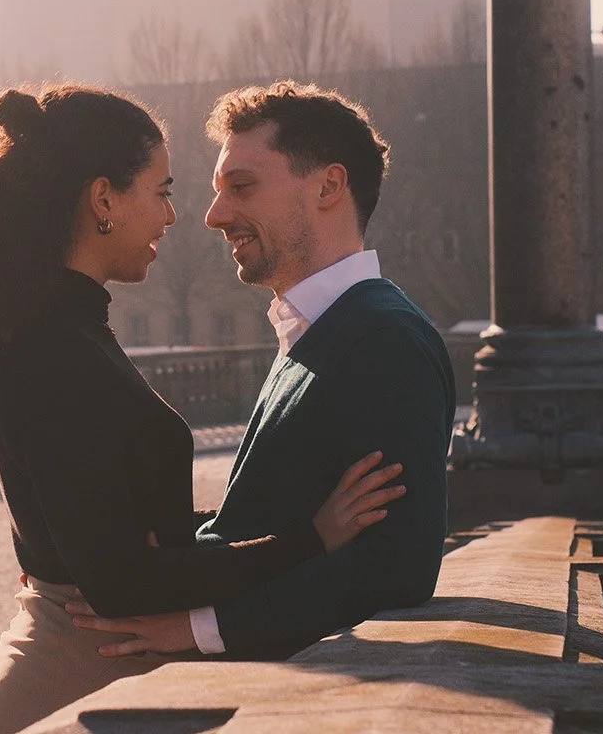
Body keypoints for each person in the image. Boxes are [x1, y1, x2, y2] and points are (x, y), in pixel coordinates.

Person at [0, 85, 406, 734]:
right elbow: (123, 579)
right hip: (68, 690)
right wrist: (308, 542)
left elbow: (129, 536)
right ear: (104, 200)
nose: (173, 217)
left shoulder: (56, 327)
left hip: (80, 675)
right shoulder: (52, 345)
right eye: (162, 190)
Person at [69, 81, 457, 660]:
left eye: (241, 188)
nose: (213, 215)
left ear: (329, 186)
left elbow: (398, 565)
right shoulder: (326, 328)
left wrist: (200, 629)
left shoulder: (383, 339)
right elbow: (268, 517)